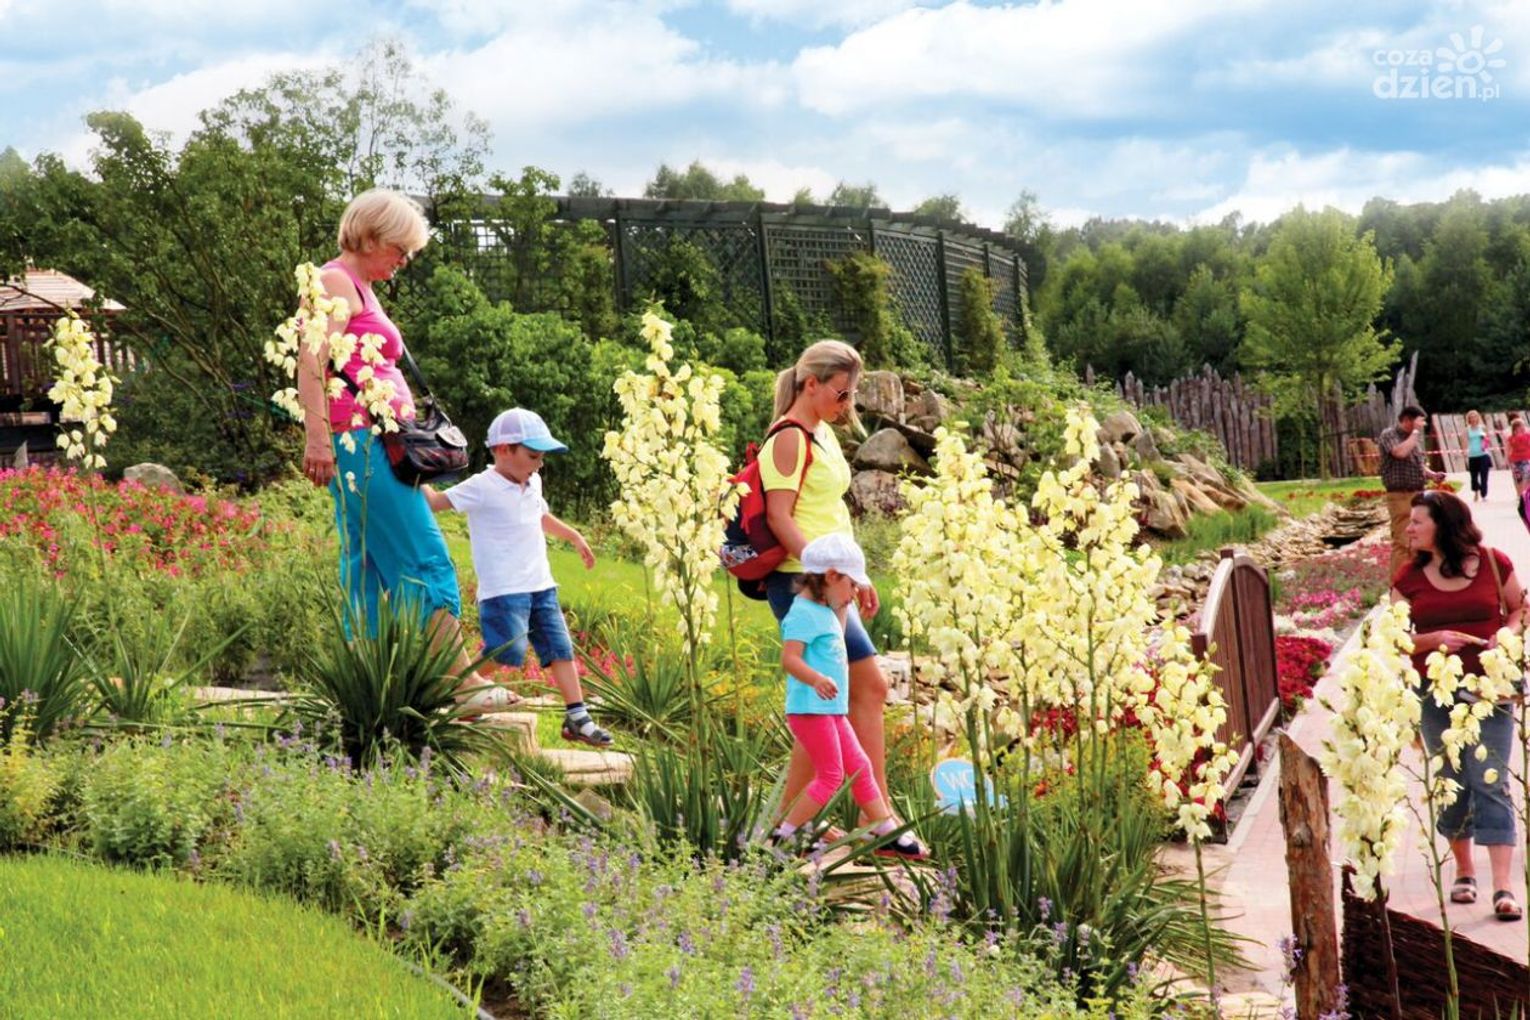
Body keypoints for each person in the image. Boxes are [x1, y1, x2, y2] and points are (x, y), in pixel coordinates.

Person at [296, 188, 505, 712]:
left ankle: (367, 690)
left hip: (368, 443)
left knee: (364, 565)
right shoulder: (335, 281)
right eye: (400, 248)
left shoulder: (358, 285)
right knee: (424, 557)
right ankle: (459, 684)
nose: (404, 260)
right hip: (362, 443)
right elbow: (310, 360)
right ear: (370, 236)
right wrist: (318, 438)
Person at [423, 408, 612, 746]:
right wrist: (415, 470)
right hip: (504, 590)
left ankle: (577, 717)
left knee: (560, 649)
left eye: (542, 457)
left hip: (541, 585)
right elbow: (436, 502)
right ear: (503, 449)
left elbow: (541, 516)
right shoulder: (482, 486)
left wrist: (574, 536)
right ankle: (458, 687)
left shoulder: (533, 482)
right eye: (533, 456)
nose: (540, 464)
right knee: (507, 651)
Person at [759, 340, 891, 822]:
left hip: (829, 582)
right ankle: (877, 819)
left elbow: (829, 513)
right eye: (841, 393)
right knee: (868, 686)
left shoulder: (823, 433)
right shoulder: (788, 438)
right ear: (810, 384)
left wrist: (854, 575)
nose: (847, 404)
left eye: (851, 394)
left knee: (832, 698)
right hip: (803, 583)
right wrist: (830, 578)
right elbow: (779, 518)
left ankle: (793, 820)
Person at [1392, 490, 1524, 921]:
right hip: (1435, 693)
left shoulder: (1492, 562)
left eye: (1418, 521)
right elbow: (1396, 639)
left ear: (1444, 524)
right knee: (1451, 779)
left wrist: (1504, 638)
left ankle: (1503, 887)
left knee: (1491, 779)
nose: (1410, 528)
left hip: (1491, 689)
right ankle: (1465, 872)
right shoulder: (1408, 578)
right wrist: (1433, 640)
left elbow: (1518, 610)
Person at [771, 534, 925, 859]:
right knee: (831, 776)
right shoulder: (802, 614)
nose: (854, 592)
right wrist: (816, 679)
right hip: (810, 710)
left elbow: (836, 642)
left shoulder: (826, 608)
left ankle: (883, 828)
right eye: (852, 585)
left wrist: (844, 606)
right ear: (830, 576)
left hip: (830, 710)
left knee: (860, 766)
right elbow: (789, 659)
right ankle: (784, 836)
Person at [1379, 406, 1446, 579]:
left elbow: (1417, 463)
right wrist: (1415, 432)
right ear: (1407, 420)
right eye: (1418, 422)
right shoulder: (1389, 435)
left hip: (1417, 495)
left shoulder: (1412, 439)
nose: (1421, 426)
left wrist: (1432, 475)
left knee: (1418, 541)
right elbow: (1400, 453)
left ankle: (1415, 581)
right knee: (1403, 542)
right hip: (1400, 495)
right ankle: (1398, 584)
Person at [1464, 409, 1491, 503]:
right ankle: (1476, 491)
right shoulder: (1467, 430)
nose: (1473, 419)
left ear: (1478, 418)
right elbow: (1464, 441)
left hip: (1483, 454)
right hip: (1473, 455)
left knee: (1484, 475)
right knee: (1474, 477)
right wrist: (1465, 451)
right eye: (1471, 417)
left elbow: (1488, 439)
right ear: (1469, 419)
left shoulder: (1482, 428)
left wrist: (1485, 441)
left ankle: (1484, 494)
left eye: (1475, 417)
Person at [1506, 416, 1530, 503]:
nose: (1523, 427)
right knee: (1518, 479)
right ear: (1516, 428)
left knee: (1527, 476)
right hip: (1515, 461)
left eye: (1523, 425)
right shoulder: (1511, 438)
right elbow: (1508, 449)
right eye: (1521, 425)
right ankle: (1520, 495)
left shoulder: (1528, 436)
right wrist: (1508, 460)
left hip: (1526, 460)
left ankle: (1526, 494)